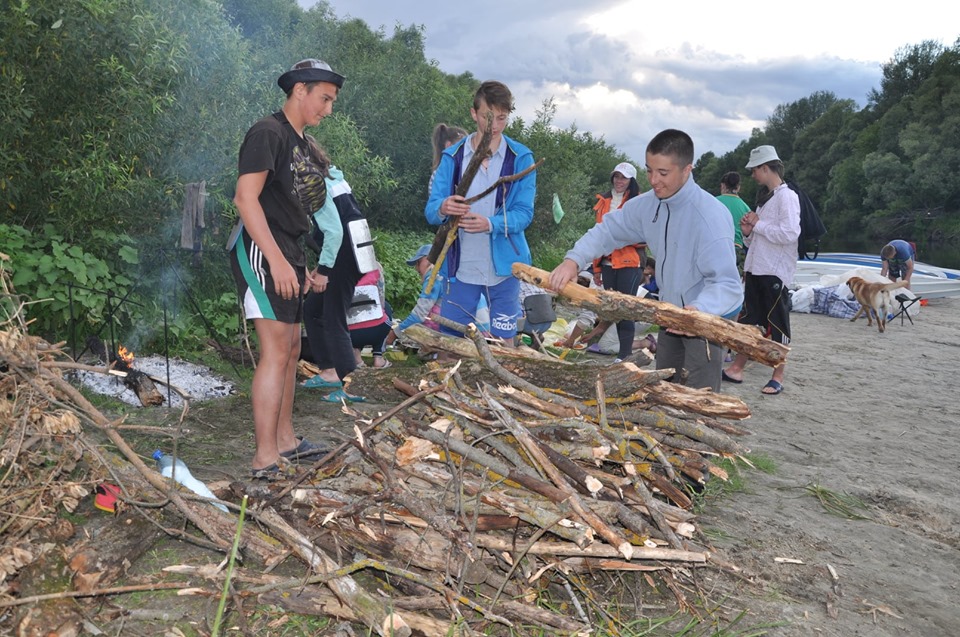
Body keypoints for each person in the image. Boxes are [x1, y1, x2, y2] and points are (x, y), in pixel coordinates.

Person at [548, 129, 742, 391]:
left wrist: (700, 310)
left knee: (698, 406)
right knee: (666, 395)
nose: (653, 180)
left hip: (703, 325)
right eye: (649, 170)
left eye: (663, 173)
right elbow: (608, 230)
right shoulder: (649, 204)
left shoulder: (710, 216)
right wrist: (573, 260)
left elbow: (728, 284)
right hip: (668, 318)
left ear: (687, 170)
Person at [229, 58, 343, 477]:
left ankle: (286, 441)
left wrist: (305, 265)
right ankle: (264, 458)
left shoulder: (300, 142)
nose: (328, 109)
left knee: (293, 351)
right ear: (300, 90)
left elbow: (294, 209)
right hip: (263, 250)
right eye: (324, 98)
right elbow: (246, 199)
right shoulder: (267, 132)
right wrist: (276, 260)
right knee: (276, 352)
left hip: (289, 251)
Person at [425, 80, 536, 347]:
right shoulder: (453, 157)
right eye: (488, 117)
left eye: (501, 118)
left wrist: (491, 223)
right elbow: (431, 211)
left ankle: (500, 389)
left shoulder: (521, 157)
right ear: (474, 114)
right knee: (450, 346)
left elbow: (524, 213)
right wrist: (443, 207)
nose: (494, 125)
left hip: (506, 268)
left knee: (504, 345)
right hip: (460, 268)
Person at [723, 145, 800, 395]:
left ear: (766, 168)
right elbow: (758, 236)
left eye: (754, 169)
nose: (752, 175)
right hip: (757, 268)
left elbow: (790, 234)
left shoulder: (787, 197)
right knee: (749, 322)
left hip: (775, 271)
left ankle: (778, 376)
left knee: (777, 325)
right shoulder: (766, 199)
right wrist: (748, 232)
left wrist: (759, 224)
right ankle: (736, 367)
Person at [592, 162, 644, 361]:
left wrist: (622, 238)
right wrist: (595, 267)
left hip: (629, 262)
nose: (619, 181)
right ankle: (621, 351)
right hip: (607, 262)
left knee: (626, 308)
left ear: (631, 181)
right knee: (613, 307)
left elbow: (645, 235)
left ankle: (624, 355)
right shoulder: (603, 200)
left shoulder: (639, 202)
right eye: (616, 176)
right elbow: (597, 234)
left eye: (623, 177)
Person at [717, 171, 751, 273]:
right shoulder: (746, 208)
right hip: (737, 250)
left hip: (717, 248)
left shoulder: (713, 202)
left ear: (723, 185)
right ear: (738, 187)